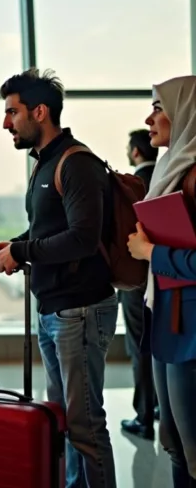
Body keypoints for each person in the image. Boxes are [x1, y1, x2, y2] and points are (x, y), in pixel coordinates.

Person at [0, 68, 117, 488]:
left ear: (40, 112)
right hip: (57, 310)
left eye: (12, 112)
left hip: (78, 310)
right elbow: (48, 233)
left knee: (85, 425)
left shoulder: (76, 163)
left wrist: (21, 252)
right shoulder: (46, 164)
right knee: (66, 422)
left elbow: (81, 238)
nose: (6, 123)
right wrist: (15, 244)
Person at [127, 75, 196, 487]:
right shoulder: (171, 169)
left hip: (190, 333)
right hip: (168, 321)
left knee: (191, 449)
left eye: (158, 107)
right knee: (174, 444)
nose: (149, 117)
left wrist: (152, 253)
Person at [120, 128, 159, 440]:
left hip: (137, 279)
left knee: (140, 346)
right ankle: (160, 404)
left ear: (135, 152)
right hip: (170, 276)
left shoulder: (131, 185)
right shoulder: (170, 177)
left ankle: (143, 416)